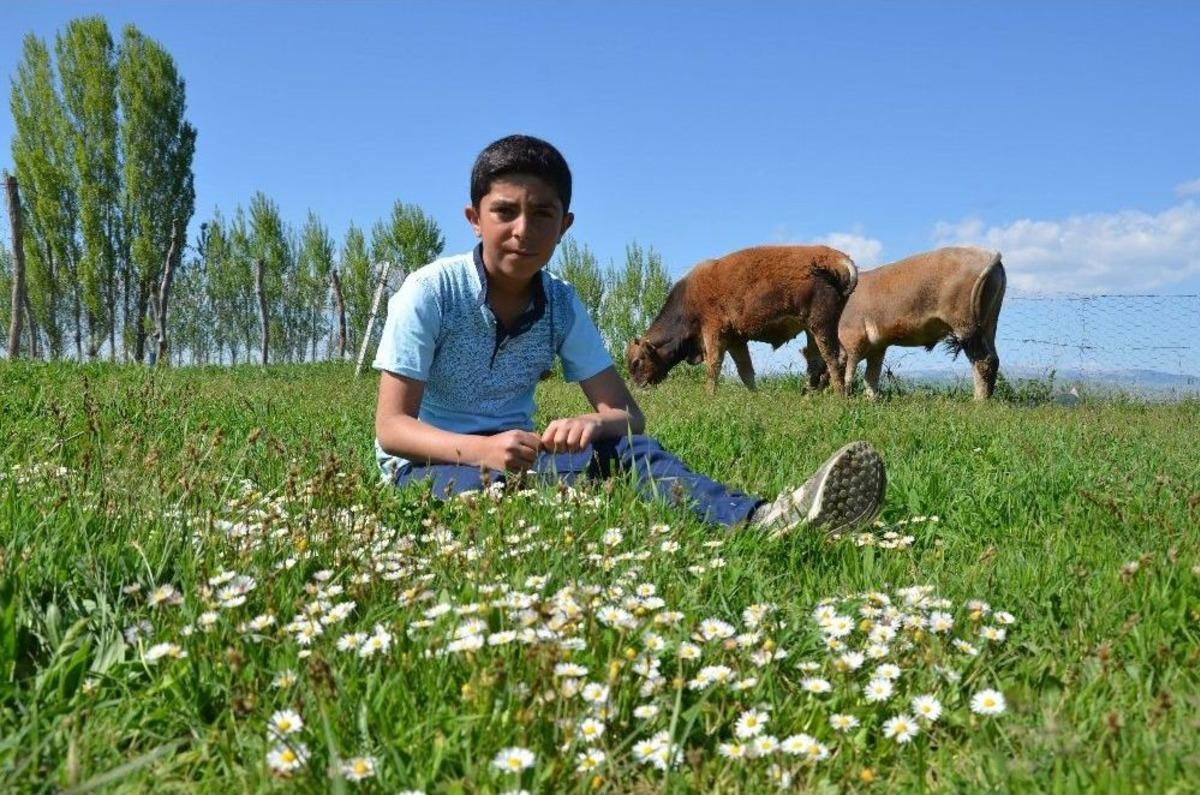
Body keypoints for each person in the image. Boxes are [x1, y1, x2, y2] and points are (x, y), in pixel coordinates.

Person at [373, 134, 886, 533]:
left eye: (542, 214)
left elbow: (628, 414)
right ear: (474, 219)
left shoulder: (562, 305)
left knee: (631, 451)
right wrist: (482, 451)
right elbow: (392, 429)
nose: (523, 230)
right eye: (504, 211)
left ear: (565, 225)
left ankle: (760, 519)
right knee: (489, 495)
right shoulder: (432, 292)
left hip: (522, 454)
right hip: (427, 462)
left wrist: (593, 425)